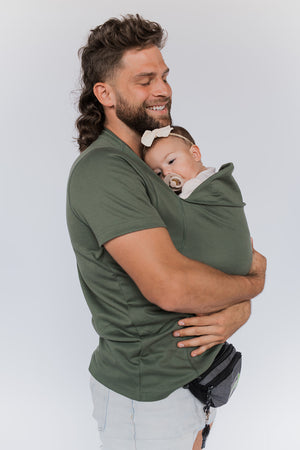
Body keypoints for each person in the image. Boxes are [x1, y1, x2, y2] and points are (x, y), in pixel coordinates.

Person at [66, 14, 266, 449]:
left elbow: (213, 247)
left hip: (193, 381)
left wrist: (236, 308)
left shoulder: (157, 161)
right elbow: (171, 286)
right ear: (106, 93)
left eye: (164, 76)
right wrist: (251, 287)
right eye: (144, 80)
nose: (163, 90)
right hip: (148, 398)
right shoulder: (104, 171)